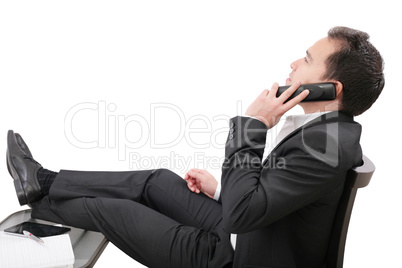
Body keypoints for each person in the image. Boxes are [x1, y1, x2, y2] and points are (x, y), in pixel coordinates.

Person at [6, 26, 384, 268]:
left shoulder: (327, 148)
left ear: (331, 89)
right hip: (247, 231)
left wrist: (252, 126)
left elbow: (241, 214)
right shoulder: (323, 132)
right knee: (156, 180)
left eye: (306, 60)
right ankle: (42, 180)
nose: (292, 63)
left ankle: (35, 205)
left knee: (112, 210)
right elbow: (271, 199)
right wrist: (218, 188)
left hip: (233, 256)